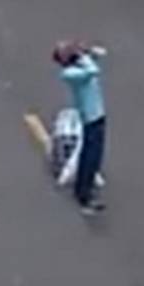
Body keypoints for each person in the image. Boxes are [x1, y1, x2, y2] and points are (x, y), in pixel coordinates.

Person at [52, 41, 107, 215]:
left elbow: (99, 55)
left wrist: (88, 52)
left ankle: (89, 185)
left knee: (96, 154)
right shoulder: (70, 73)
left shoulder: (79, 65)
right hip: (89, 117)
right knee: (89, 156)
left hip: (98, 114)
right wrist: (84, 56)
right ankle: (83, 195)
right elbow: (93, 71)